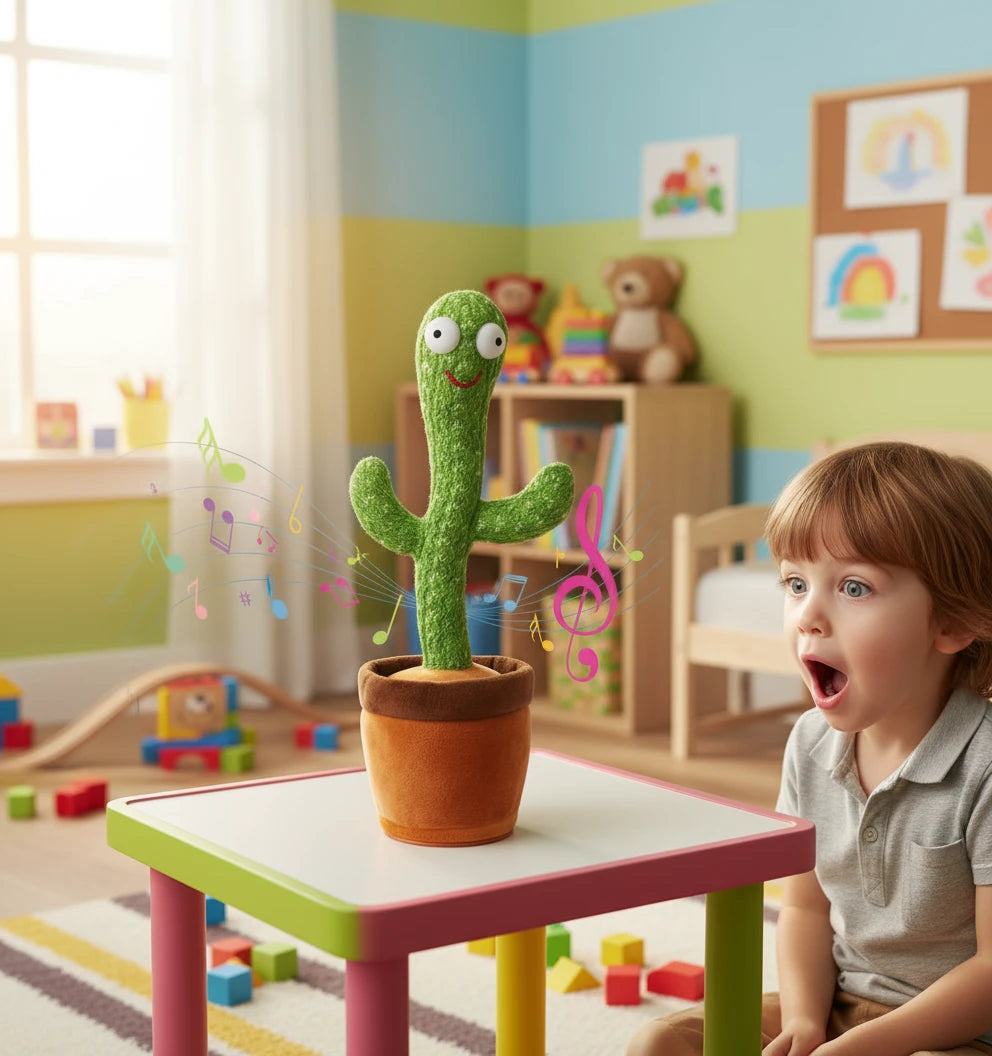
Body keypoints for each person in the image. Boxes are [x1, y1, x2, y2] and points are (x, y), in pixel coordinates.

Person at [628, 441, 992, 1056]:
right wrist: (802, 1020)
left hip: (955, 1032)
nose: (808, 616)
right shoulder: (809, 743)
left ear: (951, 623)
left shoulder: (984, 765)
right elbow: (802, 910)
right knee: (661, 1042)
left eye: (854, 587)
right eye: (796, 583)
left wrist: (868, 1045)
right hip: (838, 1002)